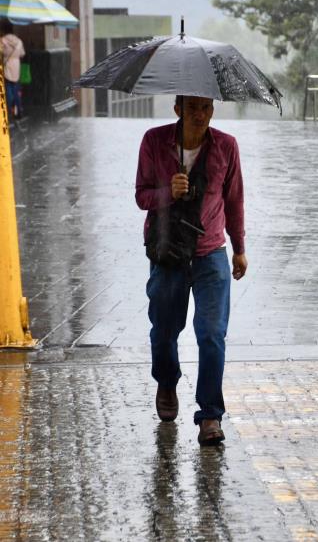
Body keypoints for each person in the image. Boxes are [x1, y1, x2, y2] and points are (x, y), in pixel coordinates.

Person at [135, 96, 247, 446]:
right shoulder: (154, 141)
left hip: (210, 252)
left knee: (212, 333)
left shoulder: (226, 147)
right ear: (178, 109)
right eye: (193, 107)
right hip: (168, 251)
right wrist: (168, 191)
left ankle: (210, 414)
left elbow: (234, 200)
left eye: (206, 108)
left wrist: (239, 248)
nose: (200, 115)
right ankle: (167, 381)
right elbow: (141, 197)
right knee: (165, 329)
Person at [1, 20, 25, 119]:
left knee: (8, 89)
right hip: (16, 66)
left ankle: (9, 111)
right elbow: (22, 53)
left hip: (7, 67)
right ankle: (18, 111)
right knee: (16, 90)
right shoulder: (19, 41)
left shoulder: (2, 40)